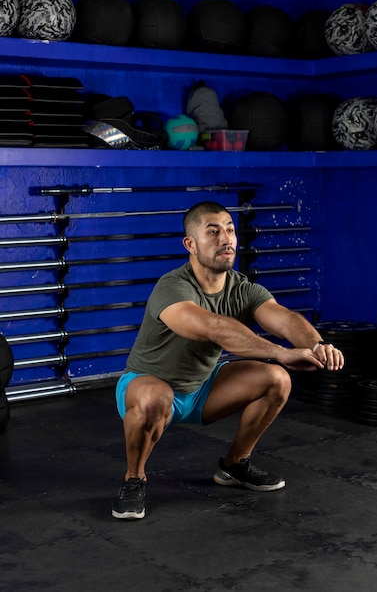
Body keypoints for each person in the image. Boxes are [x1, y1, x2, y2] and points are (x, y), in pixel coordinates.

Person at [112, 201, 344, 520]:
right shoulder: (173, 287)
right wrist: (281, 352)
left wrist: (317, 345)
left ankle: (234, 466)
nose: (227, 238)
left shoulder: (242, 289)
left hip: (203, 390)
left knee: (278, 379)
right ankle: (134, 479)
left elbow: (285, 319)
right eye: (214, 231)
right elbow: (213, 328)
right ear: (190, 244)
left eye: (230, 230)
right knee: (156, 396)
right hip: (145, 389)